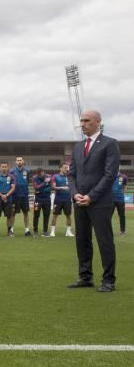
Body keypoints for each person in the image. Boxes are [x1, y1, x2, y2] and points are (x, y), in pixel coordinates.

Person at [67, 110, 120, 292]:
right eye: (81, 120)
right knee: (82, 240)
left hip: (100, 201)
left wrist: (92, 196)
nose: (82, 123)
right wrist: (75, 194)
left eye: (86, 120)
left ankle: (108, 280)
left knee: (104, 240)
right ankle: (85, 277)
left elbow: (109, 174)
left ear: (97, 122)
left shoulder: (110, 144)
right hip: (79, 201)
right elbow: (71, 174)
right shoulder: (77, 147)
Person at [9, 156, 32, 237]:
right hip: (15, 195)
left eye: (20, 160)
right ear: (15, 162)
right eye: (18, 160)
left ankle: (27, 230)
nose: (19, 161)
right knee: (13, 213)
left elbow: (29, 181)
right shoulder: (11, 171)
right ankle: (11, 230)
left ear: (23, 161)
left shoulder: (27, 170)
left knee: (26, 213)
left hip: (24, 195)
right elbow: (9, 182)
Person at [0, 162, 16, 237]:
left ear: (8, 168)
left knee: (9, 216)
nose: (4, 168)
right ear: (0, 168)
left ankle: (9, 231)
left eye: (5, 167)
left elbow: (13, 187)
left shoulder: (12, 177)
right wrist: (1, 195)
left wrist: (6, 195)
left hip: (8, 199)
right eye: (2, 167)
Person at [50, 163, 74, 237]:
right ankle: (52, 231)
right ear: (60, 168)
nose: (66, 169)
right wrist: (62, 188)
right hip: (58, 199)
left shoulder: (70, 177)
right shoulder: (55, 176)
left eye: (67, 168)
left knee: (68, 215)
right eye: (65, 167)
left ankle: (68, 232)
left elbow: (73, 186)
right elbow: (53, 187)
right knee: (55, 215)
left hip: (67, 199)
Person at [32, 168, 52, 237]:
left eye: (42, 173)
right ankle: (35, 231)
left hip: (47, 199)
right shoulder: (35, 178)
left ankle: (45, 231)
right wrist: (44, 183)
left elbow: (50, 187)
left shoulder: (48, 177)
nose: (41, 175)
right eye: (39, 174)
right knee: (36, 215)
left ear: (43, 172)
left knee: (46, 215)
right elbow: (36, 187)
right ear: (38, 174)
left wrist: (42, 190)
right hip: (38, 199)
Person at [111, 170, 128, 237]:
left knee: (122, 216)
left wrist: (121, 194)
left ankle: (122, 231)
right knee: (107, 216)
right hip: (111, 200)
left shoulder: (123, 177)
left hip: (120, 200)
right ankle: (106, 231)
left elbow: (124, 187)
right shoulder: (110, 176)